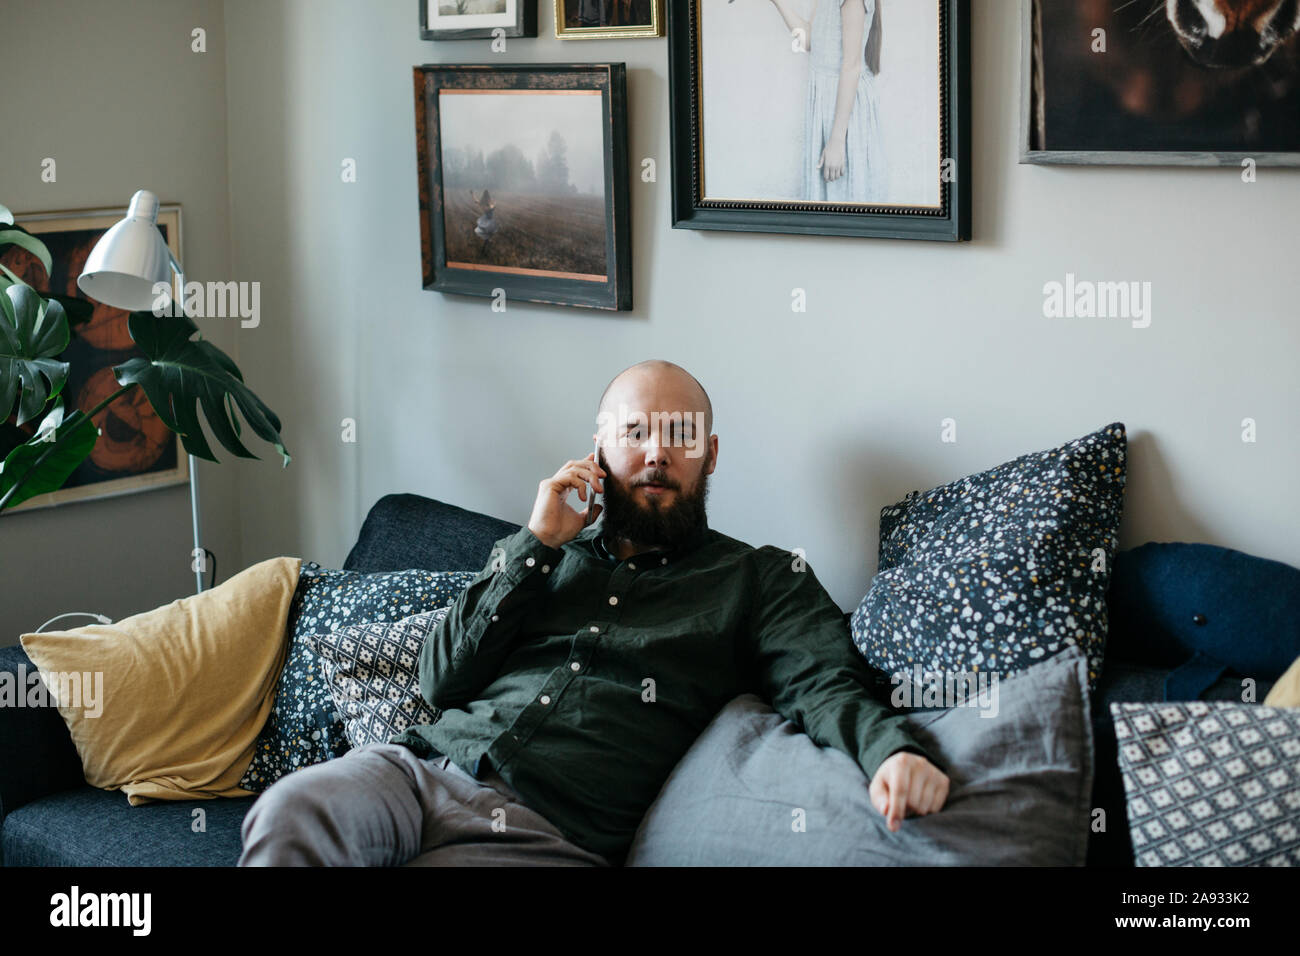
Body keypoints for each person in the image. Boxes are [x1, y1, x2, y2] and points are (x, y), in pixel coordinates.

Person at [239, 360, 949, 866]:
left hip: (547, 834)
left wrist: (891, 750)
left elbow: (821, 681)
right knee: (289, 811)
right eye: (636, 432)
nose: (657, 454)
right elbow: (438, 682)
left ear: (711, 456)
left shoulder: (759, 577)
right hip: (416, 773)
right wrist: (535, 543)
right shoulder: (544, 554)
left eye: (680, 436)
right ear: (599, 449)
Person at [770, 0, 886, 202]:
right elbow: (809, 40)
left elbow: (851, 65)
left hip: (844, 114)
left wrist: (836, 142)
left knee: (846, 203)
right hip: (826, 106)